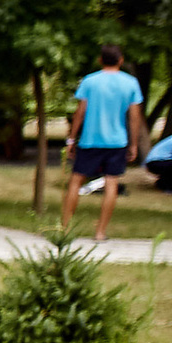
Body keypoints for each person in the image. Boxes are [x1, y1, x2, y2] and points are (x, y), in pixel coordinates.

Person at [60, 45, 148, 241]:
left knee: (75, 181)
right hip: (117, 141)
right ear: (121, 60)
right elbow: (134, 116)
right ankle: (100, 232)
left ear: (100, 60)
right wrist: (133, 144)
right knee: (111, 183)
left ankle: (64, 229)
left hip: (90, 140)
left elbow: (80, 112)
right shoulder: (130, 83)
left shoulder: (90, 81)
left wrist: (71, 138)